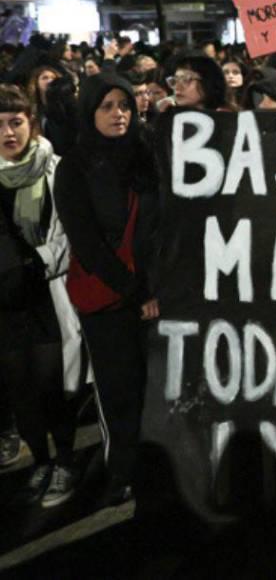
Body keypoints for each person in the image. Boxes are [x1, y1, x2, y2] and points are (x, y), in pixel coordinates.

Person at [54, 74, 159, 505]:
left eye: (125, 106)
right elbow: (88, 244)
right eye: (108, 106)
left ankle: (158, 468)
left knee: (156, 388)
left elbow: (162, 225)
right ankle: (123, 471)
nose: (119, 114)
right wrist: (136, 293)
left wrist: (155, 288)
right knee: (119, 390)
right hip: (111, 299)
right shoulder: (74, 166)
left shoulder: (147, 155)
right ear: (90, 111)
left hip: (155, 295)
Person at [0, 86, 80, 507]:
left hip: (49, 292)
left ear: (32, 122)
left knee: (53, 387)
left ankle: (65, 462)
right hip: (7, 303)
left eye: (16, 121)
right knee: (20, 391)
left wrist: (38, 260)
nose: (8, 132)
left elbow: (70, 232)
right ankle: (41, 462)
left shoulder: (57, 169)